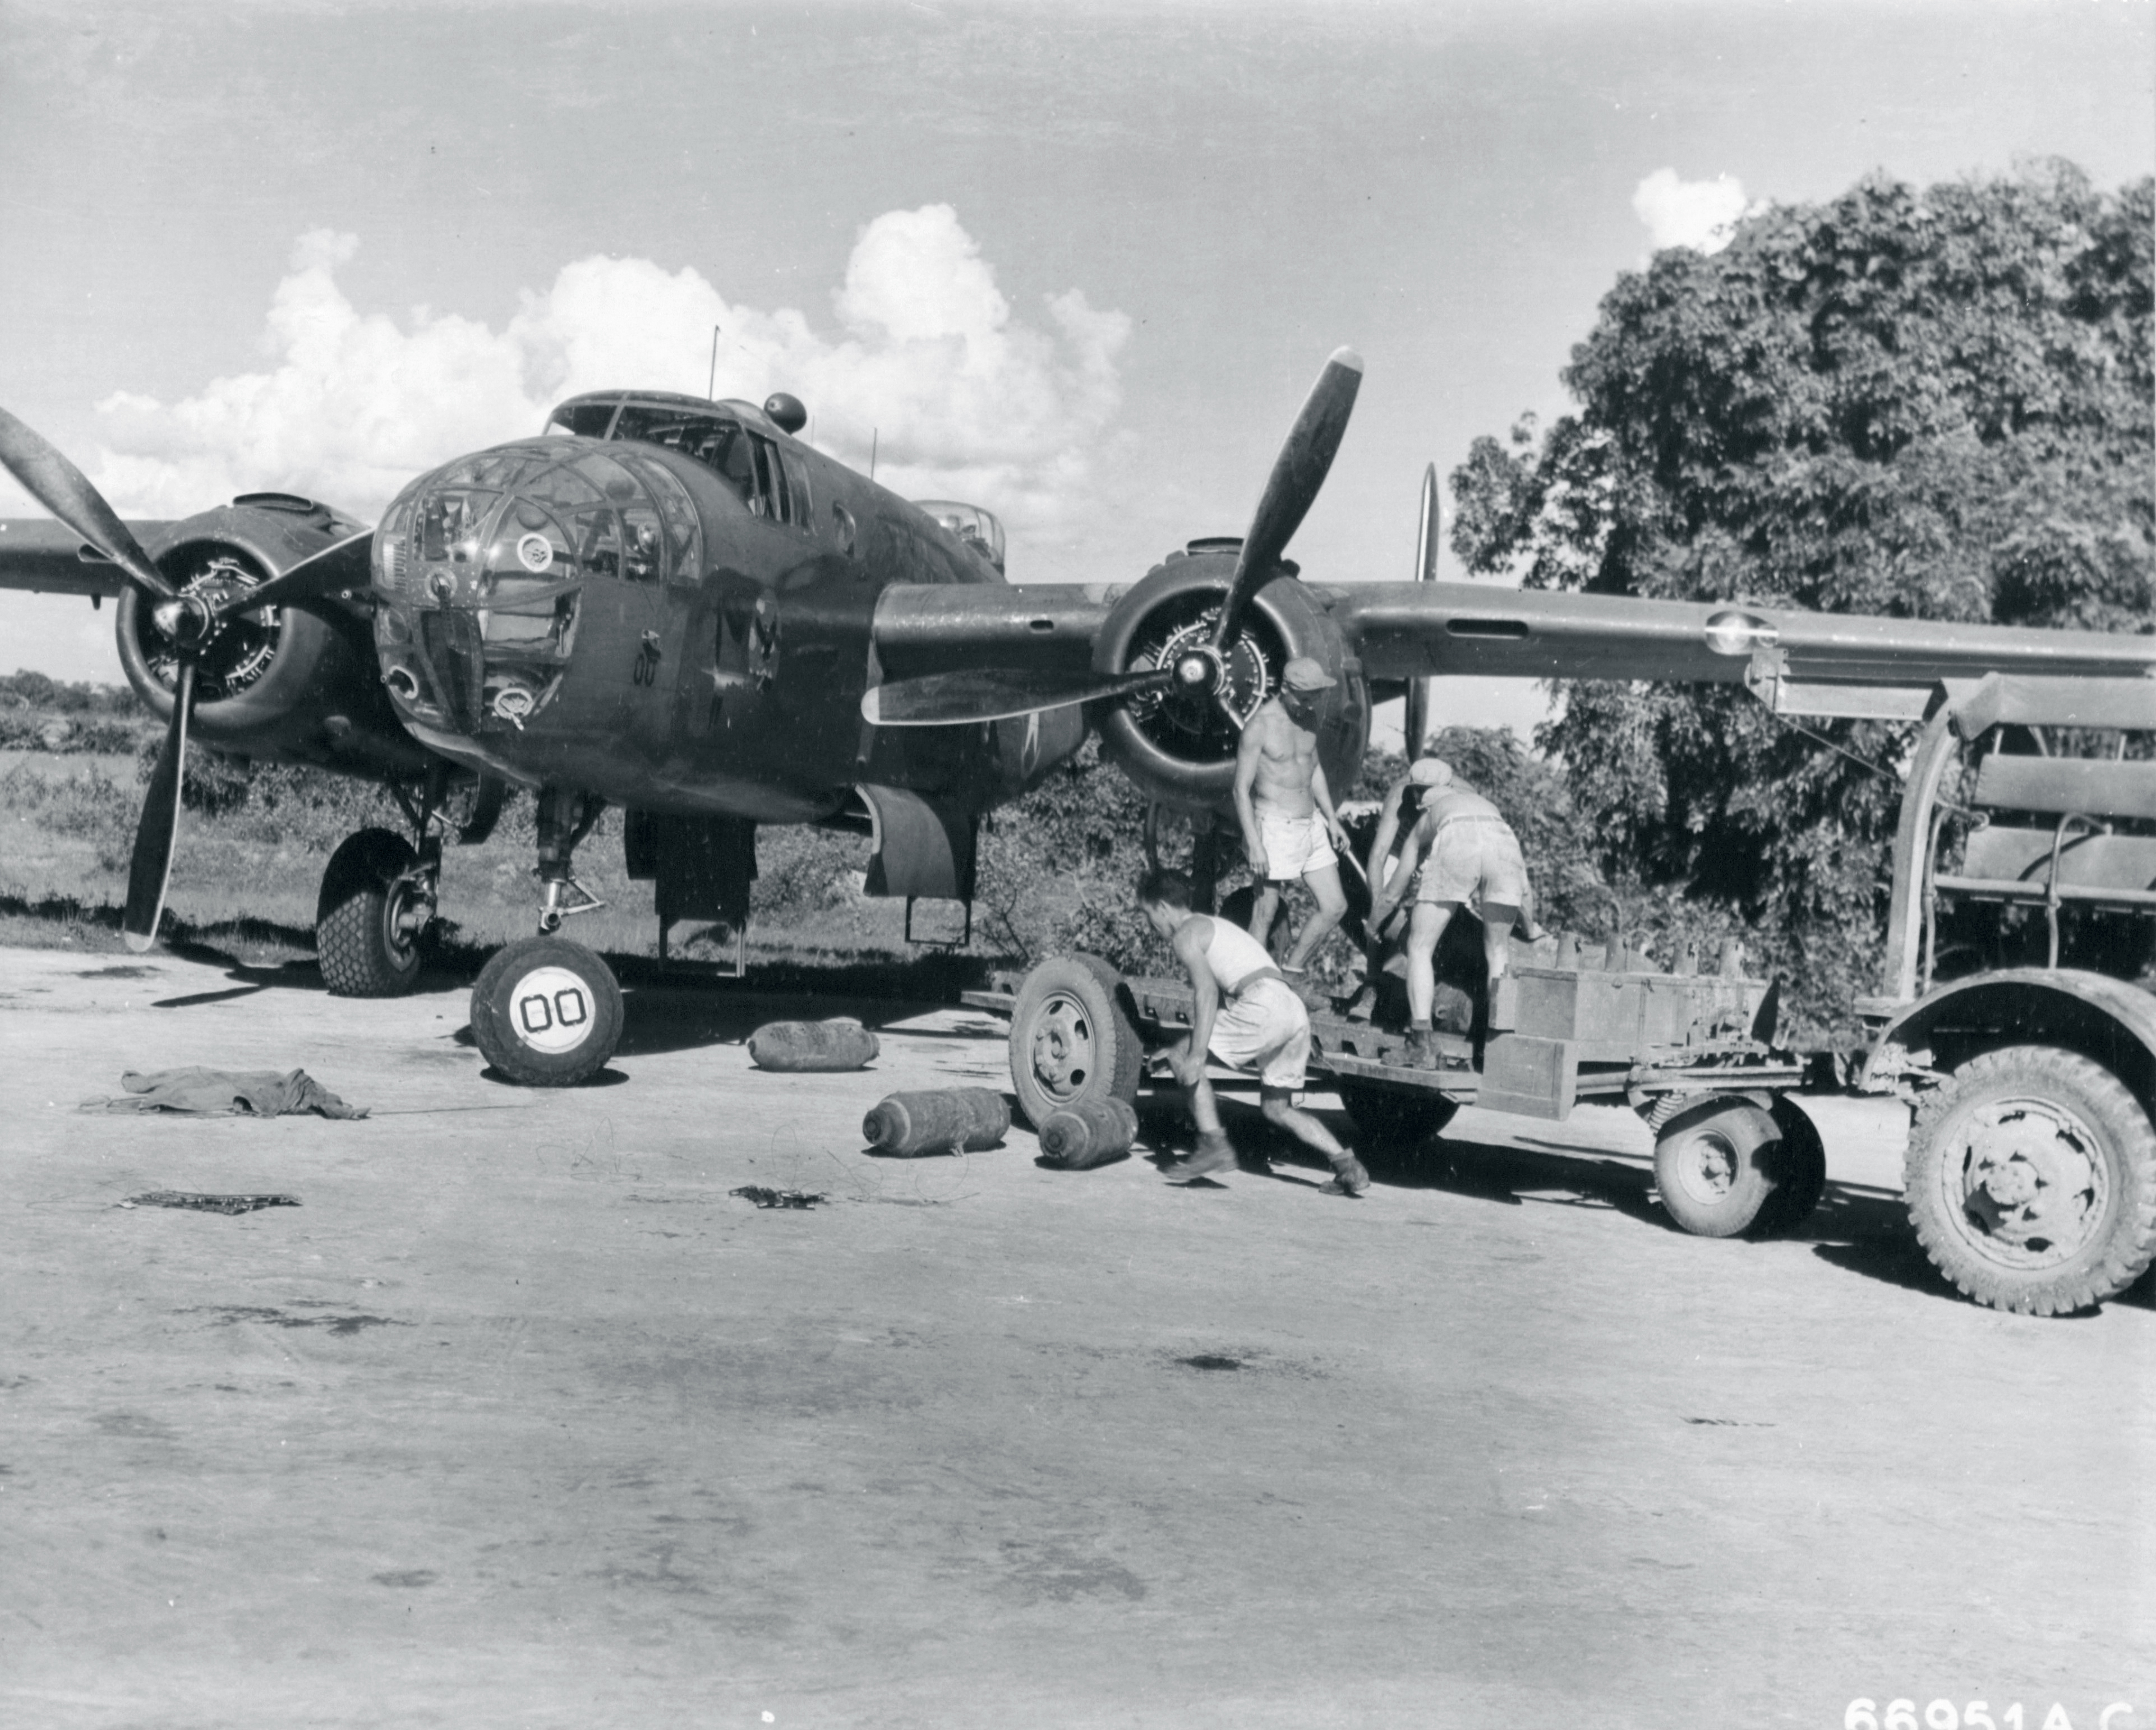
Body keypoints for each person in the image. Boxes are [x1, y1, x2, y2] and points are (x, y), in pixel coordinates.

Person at [1136, 868, 1370, 1196]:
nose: (1153, 927)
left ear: (1163, 907)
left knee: (1184, 1057)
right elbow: (1225, 1002)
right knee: (1278, 1109)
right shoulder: (1218, 927)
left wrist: (1194, 1054)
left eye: (1150, 917)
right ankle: (1347, 1165)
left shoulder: (1186, 935)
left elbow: (1206, 994)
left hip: (1264, 1006)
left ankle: (1213, 1145)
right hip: (1290, 1008)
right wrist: (1190, 1047)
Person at [1365, 759, 1545, 1068]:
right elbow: (1524, 890)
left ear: (1418, 794)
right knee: (1498, 953)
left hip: (1458, 842)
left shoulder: (1427, 818)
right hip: (1504, 842)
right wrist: (1531, 931)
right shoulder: (1485, 805)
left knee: (1419, 947)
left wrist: (1374, 923)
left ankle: (1420, 1043)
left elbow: (1394, 891)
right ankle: (1495, 1041)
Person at [1233, 656, 1350, 1004]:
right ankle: (1248, 990)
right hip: (1274, 826)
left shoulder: (1309, 717)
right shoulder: (1260, 726)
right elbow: (1240, 789)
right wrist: (1254, 843)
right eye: (1304, 696)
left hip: (1311, 823)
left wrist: (1332, 818)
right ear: (1284, 689)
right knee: (1265, 912)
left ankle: (1291, 974)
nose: (1311, 703)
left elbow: (1313, 770)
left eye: (1315, 695)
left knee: (1335, 906)